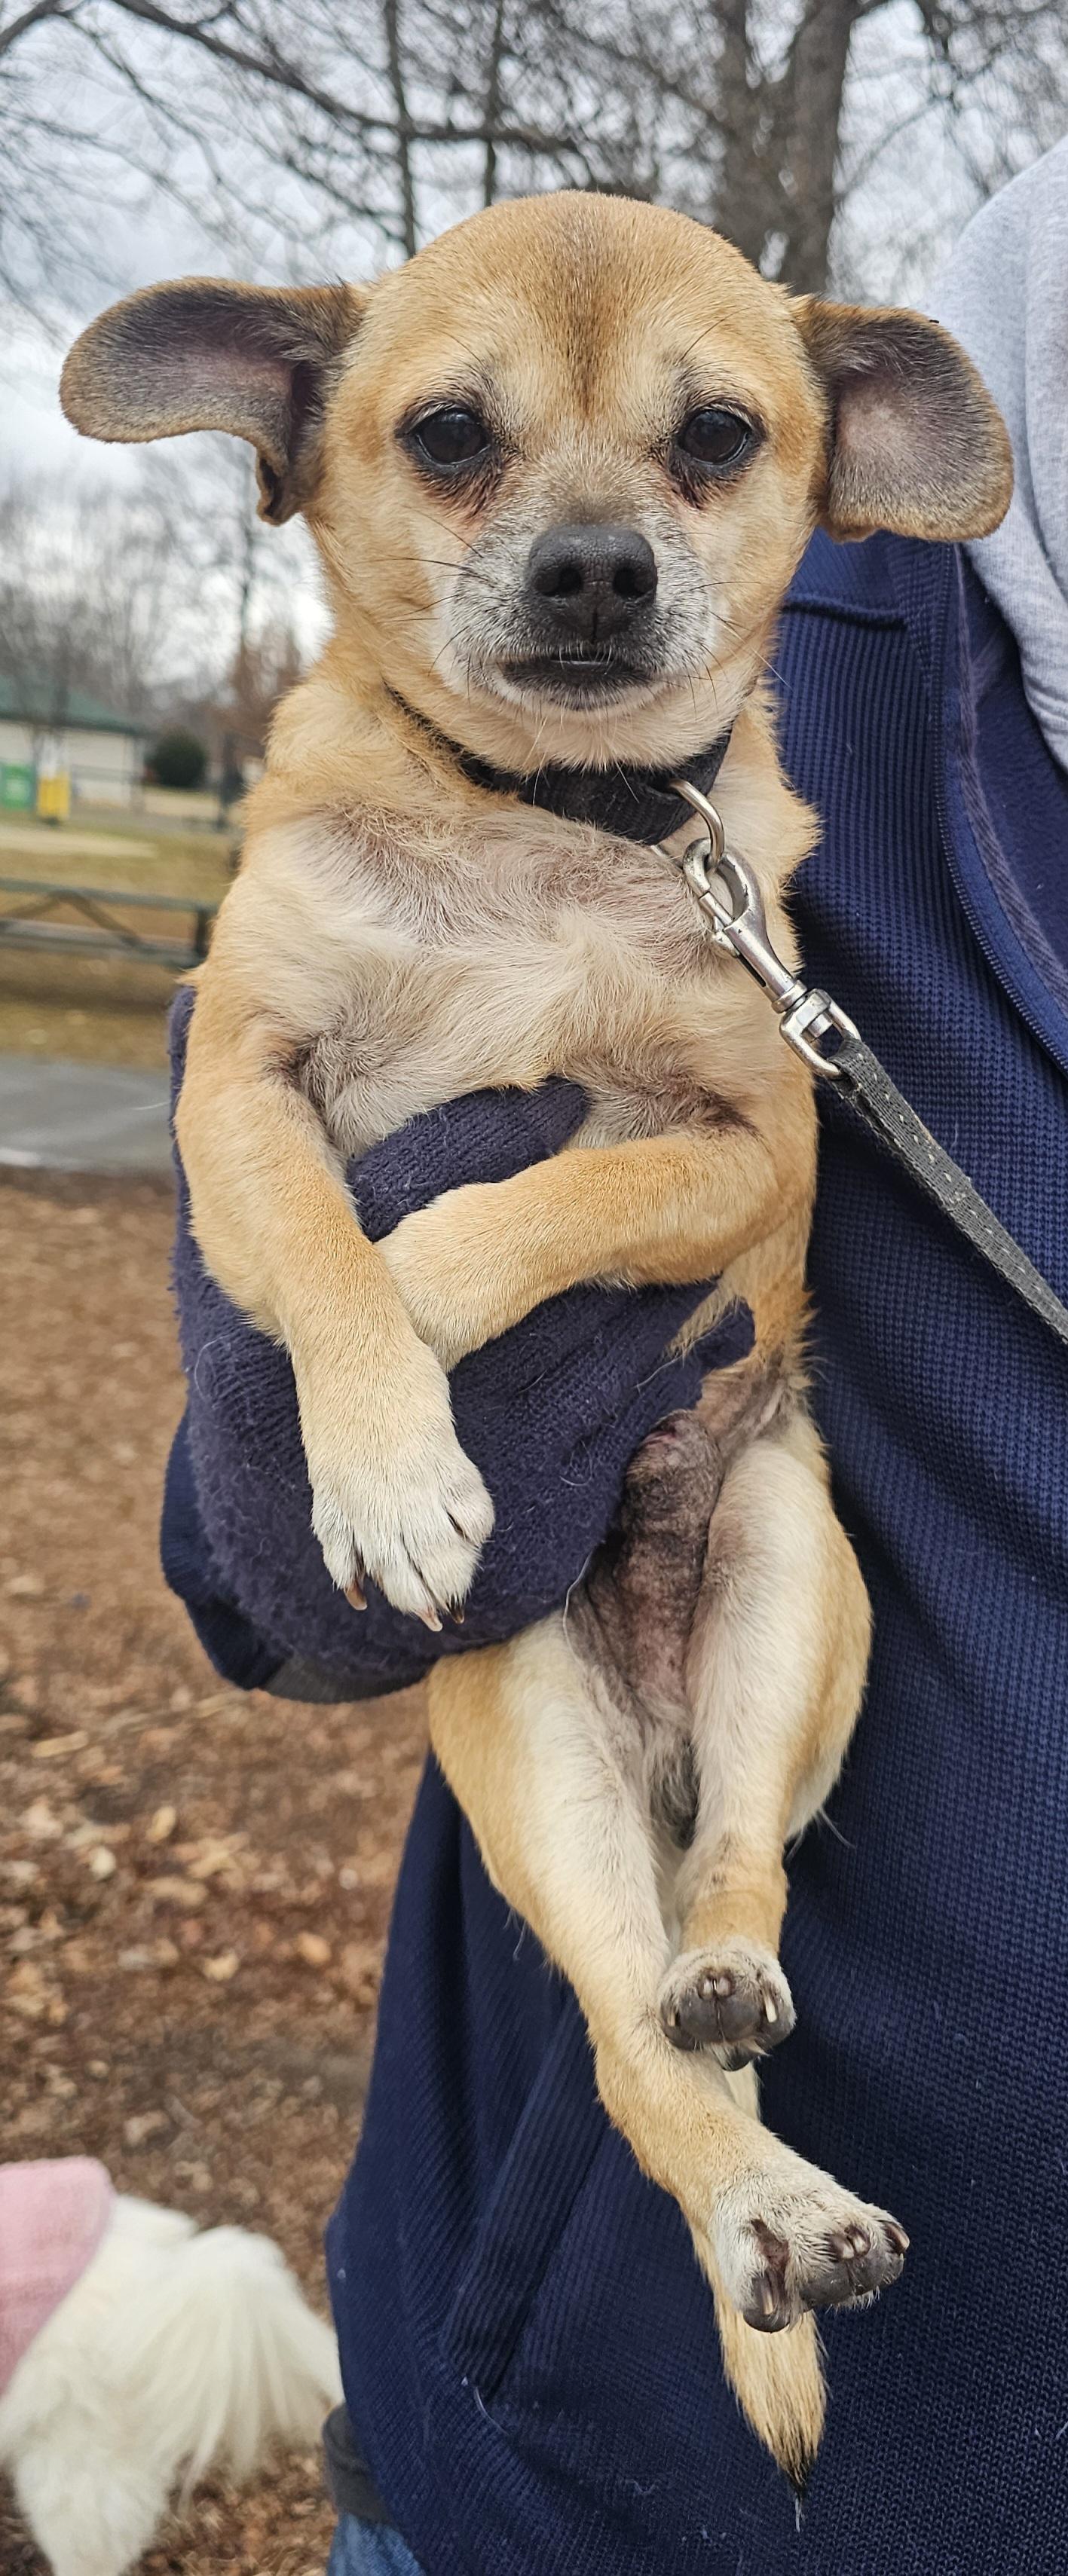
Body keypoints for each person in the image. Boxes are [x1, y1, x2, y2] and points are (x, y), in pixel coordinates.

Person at [163, 146, 1068, 2576]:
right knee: (574, 1801)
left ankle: (732, 1950)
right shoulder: (862, 679)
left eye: (691, 454)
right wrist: (329, 1377)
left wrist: (450, 1272)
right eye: (458, 446)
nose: (582, 540)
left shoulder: (737, 778)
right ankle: (700, 2151)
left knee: (747, 1670)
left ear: (821, 457)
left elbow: (732, 1176)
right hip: (554, 2462)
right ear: (308, 451)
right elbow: (260, 1565)